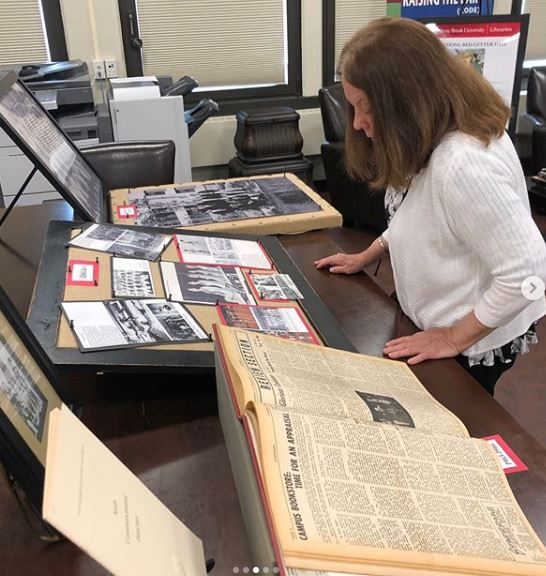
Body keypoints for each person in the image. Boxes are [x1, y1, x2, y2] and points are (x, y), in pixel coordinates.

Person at [314, 18, 546, 395]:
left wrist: (454, 338)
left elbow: (529, 272)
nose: (356, 124)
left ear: (406, 103)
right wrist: (371, 252)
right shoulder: (432, 130)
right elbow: (423, 213)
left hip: (473, 339)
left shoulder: (463, 164)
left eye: (364, 108)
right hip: (437, 316)